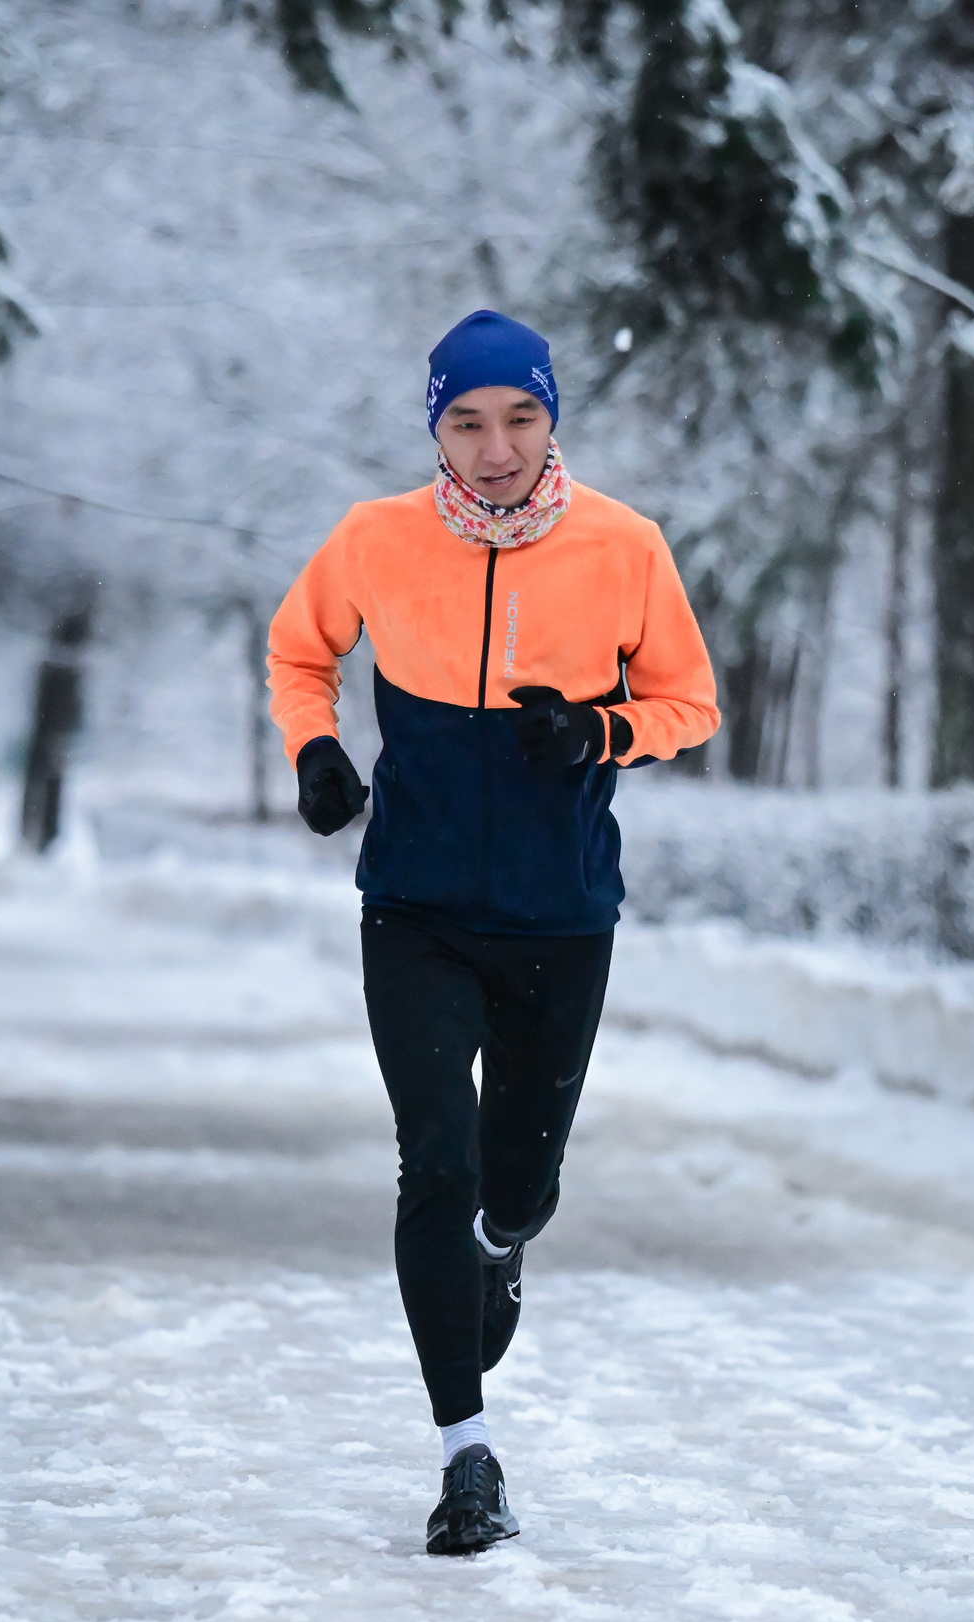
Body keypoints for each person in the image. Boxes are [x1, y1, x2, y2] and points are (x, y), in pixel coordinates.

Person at [267, 309, 720, 1555]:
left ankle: (503, 1243)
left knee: (515, 1184)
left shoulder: (624, 546)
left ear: (551, 415)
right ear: (435, 428)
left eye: (519, 415)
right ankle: (467, 1460)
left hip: (560, 916)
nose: (495, 444)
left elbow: (691, 701)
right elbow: (298, 651)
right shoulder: (374, 540)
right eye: (465, 420)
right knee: (436, 1159)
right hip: (411, 905)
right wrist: (315, 752)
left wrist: (600, 731)